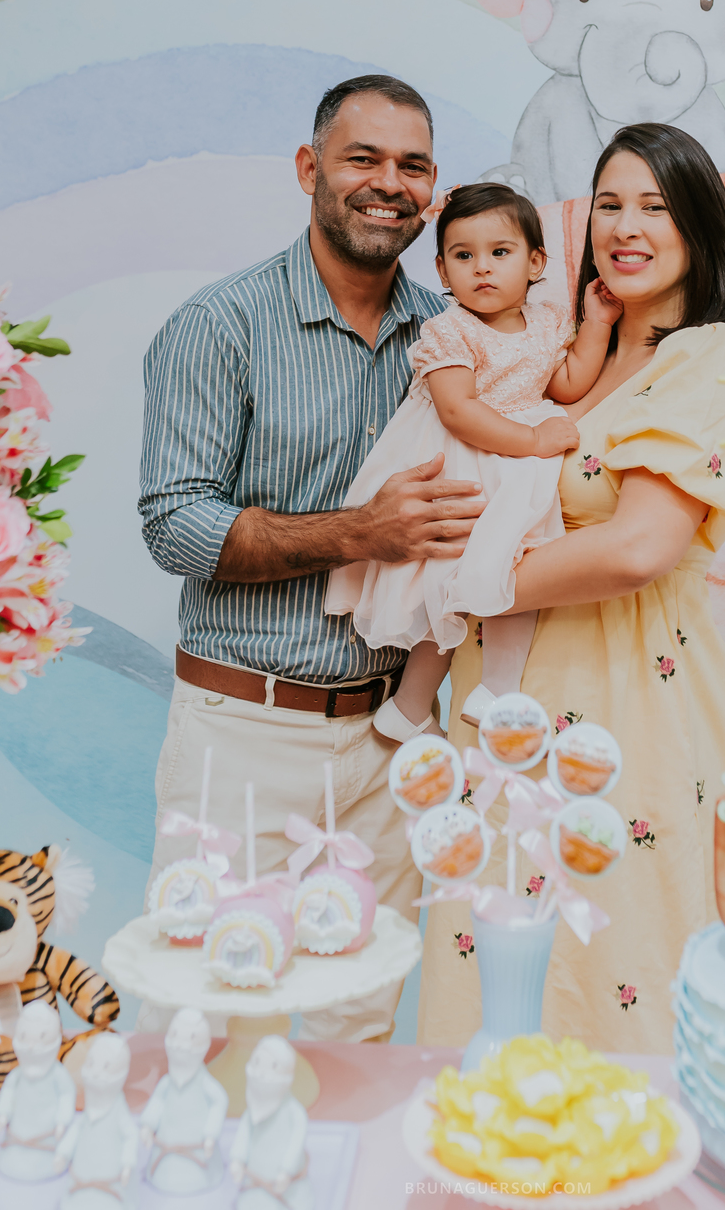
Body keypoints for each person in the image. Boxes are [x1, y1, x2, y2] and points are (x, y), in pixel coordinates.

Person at [138, 74, 486, 1042]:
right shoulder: (219, 328)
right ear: (309, 169)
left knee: (358, 1028)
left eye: (412, 166)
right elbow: (175, 526)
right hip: (242, 733)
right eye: (362, 159)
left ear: (433, 192)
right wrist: (357, 532)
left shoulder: (454, 340)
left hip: (394, 747)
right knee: (206, 1024)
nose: (389, 184)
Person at [418, 122, 725, 1055]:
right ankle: (494, 1183)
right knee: (489, 960)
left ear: (699, 224)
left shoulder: (708, 356)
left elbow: (638, 547)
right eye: (609, 202)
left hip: (622, 708)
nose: (627, 224)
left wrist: (464, 580)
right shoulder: (567, 358)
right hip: (503, 703)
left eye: (655, 204)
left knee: (614, 962)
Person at [326, 182, 619, 740]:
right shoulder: (449, 330)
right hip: (464, 462)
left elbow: (567, 382)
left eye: (499, 253)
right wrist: (532, 443)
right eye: (464, 256)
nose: (482, 269)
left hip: (512, 464)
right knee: (452, 583)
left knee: (511, 572)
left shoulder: (550, 322)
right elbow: (458, 412)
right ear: (441, 269)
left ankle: (493, 689)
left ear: (536, 262)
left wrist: (597, 322)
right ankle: (413, 703)